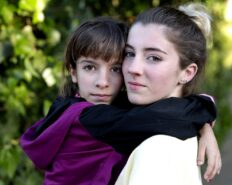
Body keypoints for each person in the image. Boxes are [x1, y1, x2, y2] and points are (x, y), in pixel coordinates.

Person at [20, 16, 219, 185]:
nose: (103, 82)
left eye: (115, 69)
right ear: (73, 72)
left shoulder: (101, 107)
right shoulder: (87, 118)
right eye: (90, 67)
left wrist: (204, 125)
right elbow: (163, 118)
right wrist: (205, 111)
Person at [111, 3, 220, 184]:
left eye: (154, 57)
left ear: (187, 72)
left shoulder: (156, 149)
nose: (133, 68)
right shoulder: (181, 130)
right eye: (129, 53)